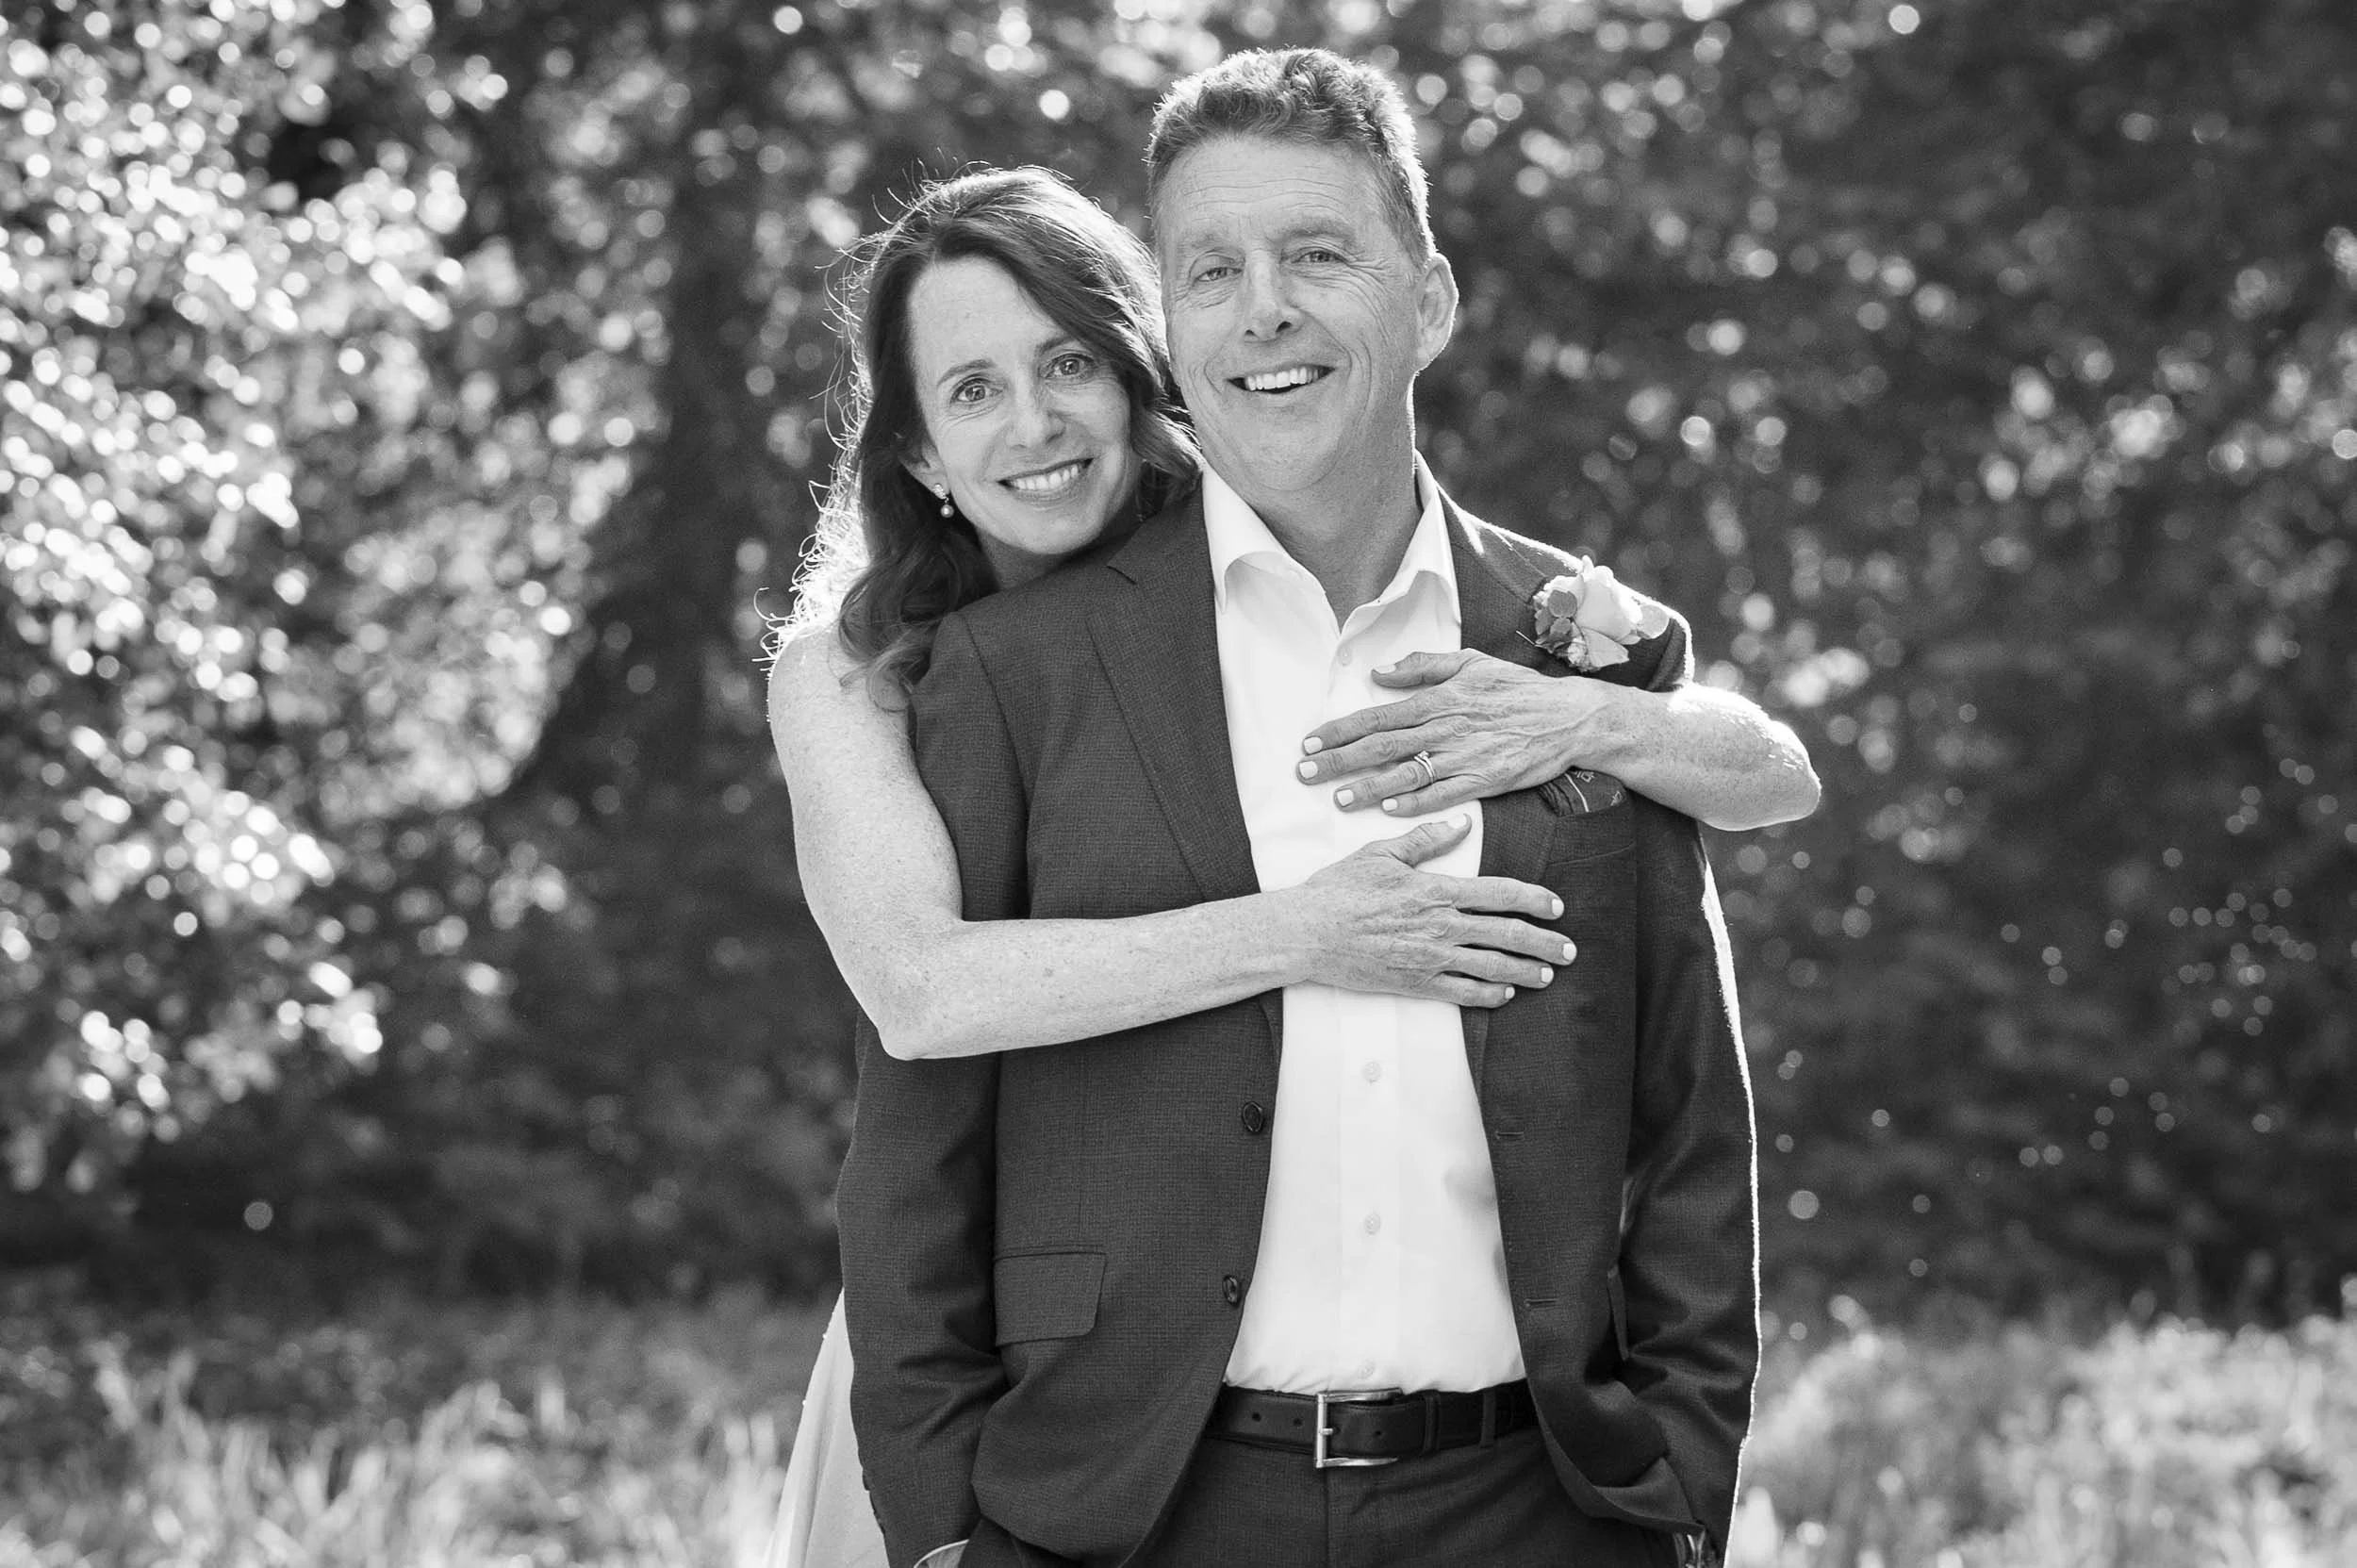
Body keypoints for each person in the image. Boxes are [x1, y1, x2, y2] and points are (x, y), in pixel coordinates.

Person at [777, 68, 1799, 1567]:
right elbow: (920, 1107)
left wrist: (1674, 1502)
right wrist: (943, 1532)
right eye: (1215, 271)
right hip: (1132, 1499)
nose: (1263, 310)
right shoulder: (944, 676)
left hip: (1538, 1506)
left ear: (1430, 300)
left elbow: (1689, 1116)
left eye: (1317, 255)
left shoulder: (1568, 638)